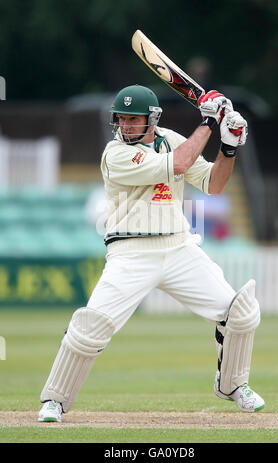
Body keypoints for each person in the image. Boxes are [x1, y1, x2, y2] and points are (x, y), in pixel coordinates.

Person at [38, 85, 264, 422]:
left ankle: (233, 385)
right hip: (131, 251)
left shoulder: (171, 139)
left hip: (178, 247)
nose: (125, 126)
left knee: (242, 313)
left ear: (152, 119)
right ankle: (54, 400)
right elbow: (181, 163)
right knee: (89, 329)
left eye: (133, 119)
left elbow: (214, 185)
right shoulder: (114, 154)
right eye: (121, 119)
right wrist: (209, 120)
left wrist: (229, 148)